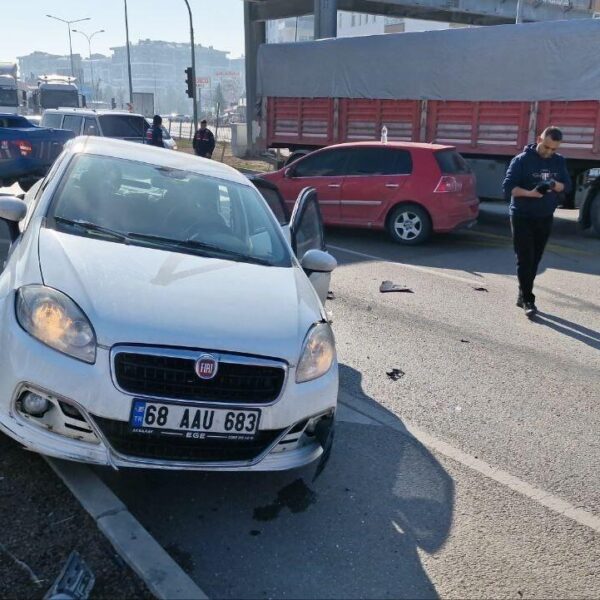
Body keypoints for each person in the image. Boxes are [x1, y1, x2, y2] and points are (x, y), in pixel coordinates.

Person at [502, 126, 572, 318]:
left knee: (535, 259)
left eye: (553, 149)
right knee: (525, 259)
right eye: (546, 146)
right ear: (539, 138)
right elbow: (509, 188)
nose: (549, 152)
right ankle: (528, 300)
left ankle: (521, 293)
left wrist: (553, 184)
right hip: (522, 216)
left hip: (545, 217)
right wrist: (530, 193)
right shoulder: (521, 160)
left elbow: (567, 185)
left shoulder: (559, 161)